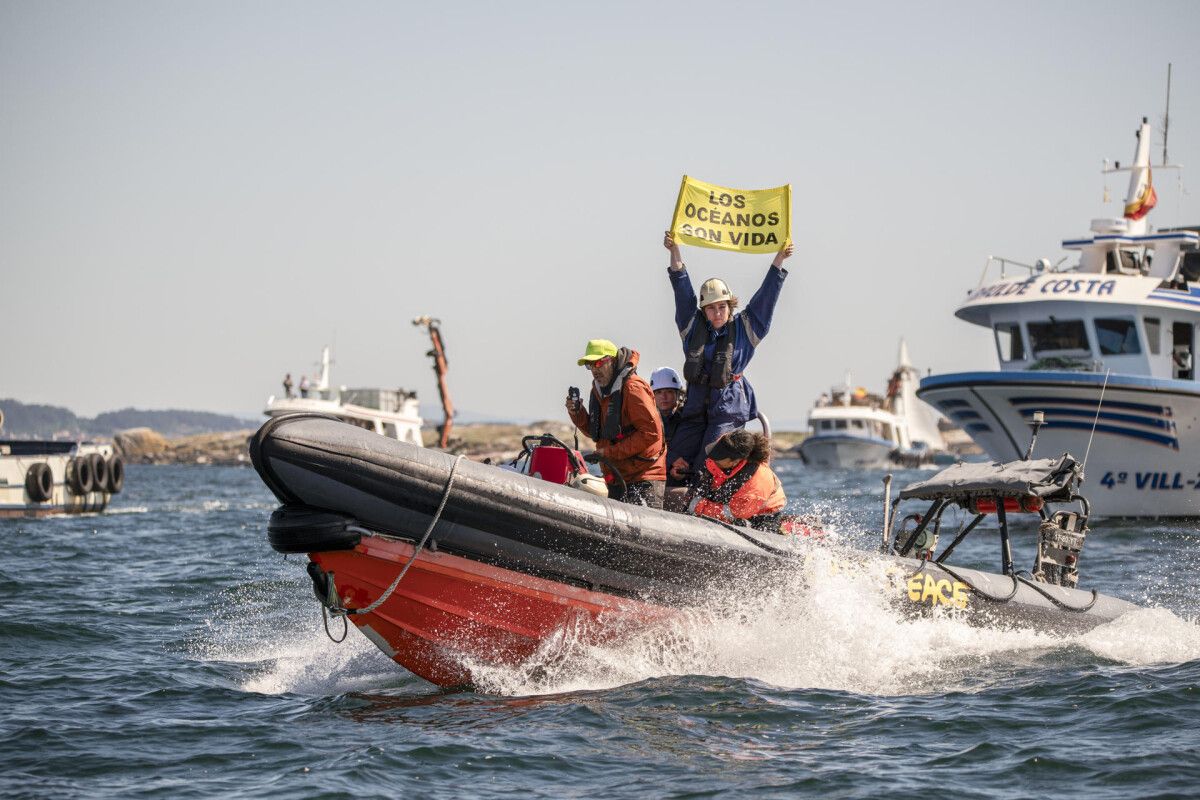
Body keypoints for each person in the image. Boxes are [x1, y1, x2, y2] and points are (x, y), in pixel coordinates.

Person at [663, 230, 793, 483]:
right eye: (711, 308)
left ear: (730, 306)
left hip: (728, 408)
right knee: (672, 458)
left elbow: (766, 296)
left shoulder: (747, 328)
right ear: (703, 310)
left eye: (721, 306)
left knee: (710, 462)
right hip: (696, 407)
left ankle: (703, 504)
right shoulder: (691, 327)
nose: (717, 312)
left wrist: (779, 260)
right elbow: (681, 286)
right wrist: (674, 251)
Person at [566, 339, 667, 508]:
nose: (594, 370)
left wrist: (610, 452)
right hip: (617, 476)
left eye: (598, 363)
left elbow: (651, 434)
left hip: (643, 477)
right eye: (590, 365)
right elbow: (596, 432)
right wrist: (577, 413)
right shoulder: (599, 390)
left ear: (612, 360)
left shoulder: (633, 388)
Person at [691, 429, 787, 531]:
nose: (713, 458)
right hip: (729, 504)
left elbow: (736, 514)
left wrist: (696, 507)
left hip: (761, 516)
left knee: (741, 524)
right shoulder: (725, 447)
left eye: (719, 457)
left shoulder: (756, 483)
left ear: (735, 461)